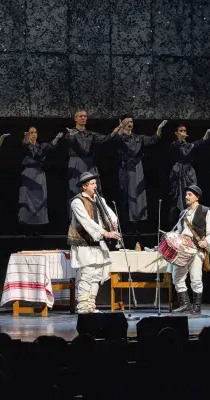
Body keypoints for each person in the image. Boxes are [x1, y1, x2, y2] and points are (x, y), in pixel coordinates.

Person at [68, 172, 121, 314]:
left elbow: (110, 215)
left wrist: (113, 225)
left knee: (97, 275)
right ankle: (83, 307)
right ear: (84, 187)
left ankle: (90, 306)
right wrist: (105, 233)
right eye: (92, 184)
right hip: (84, 242)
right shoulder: (77, 202)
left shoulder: (99, 200)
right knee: (87, 274)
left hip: (97, 242)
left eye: (95, 183)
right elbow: (86, 222)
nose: (95, 186)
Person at [169, 185, 210, 315]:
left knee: (195, 278)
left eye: (189, 194)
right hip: (183, 249)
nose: (186, 196)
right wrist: (173, 237)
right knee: (177, 276)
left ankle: (197, 307)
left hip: (196, 249)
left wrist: (205, 242)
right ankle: (185, 305)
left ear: (197, 197)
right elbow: (179, 231)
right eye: (186, 194)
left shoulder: (205, 211)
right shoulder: (183, 213)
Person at [114, 114, 166, 233]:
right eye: (127, 121)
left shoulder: (139, 138)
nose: (130, 123)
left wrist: (159, 129)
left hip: (137, 168)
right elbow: (114, 141)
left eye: (131, 121)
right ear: (121, 122)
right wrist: (119, 129)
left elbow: (153, 139)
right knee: (126, 196)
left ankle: (138, 224)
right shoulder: (118, 137)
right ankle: (126, 226)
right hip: (126, 169)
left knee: (139, 195)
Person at [63, 109, 117, 217]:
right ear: (75, 118)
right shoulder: (70, 133)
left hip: (89, 164)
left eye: (85, 116)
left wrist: (115, 131)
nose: (83, 118)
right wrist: (71, 135)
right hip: (76, 162)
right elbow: (69, 140)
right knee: (76, 191)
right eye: (81, 116)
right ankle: (77, 218)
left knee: (94, 190)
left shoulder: (91, 134)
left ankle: (96, 216)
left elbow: (104, 138)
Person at [168, 124, 210, 228]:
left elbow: (200, 142)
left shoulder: (189, 145)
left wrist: (207, 133)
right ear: (176, 133)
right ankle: (175, 225)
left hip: (189, 173)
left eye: (185, 131)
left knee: (191, 196)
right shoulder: (174, 144)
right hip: (178, 172)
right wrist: (180, 139)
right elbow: (176, 148)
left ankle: (190, 224)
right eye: (181, 131)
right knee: (177, 198)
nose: (183, 132)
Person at [17, 127, 63, 233]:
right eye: (31, 133)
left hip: (39, 175)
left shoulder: (41, 146)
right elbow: (24, 145)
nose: (33, 134)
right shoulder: (25, 145)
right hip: (29, 174)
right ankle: (26, 227)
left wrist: (57, 137)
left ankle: (38, 226)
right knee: (28, 201)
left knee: (40, 201)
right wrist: (26, 138)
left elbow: (50, 145)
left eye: (35, 132)